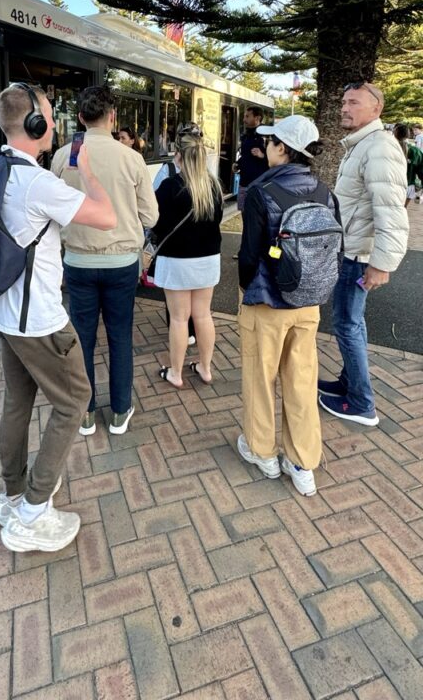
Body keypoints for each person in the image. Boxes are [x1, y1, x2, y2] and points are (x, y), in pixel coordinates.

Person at [0, 83, 116, 553]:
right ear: (34, 124)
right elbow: (105, 217)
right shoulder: (37, 182)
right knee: (75, 399)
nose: (56, 123)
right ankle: (33, 511)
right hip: (38, 317)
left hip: (2, 310)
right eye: (50, 116)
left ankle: (13, 494)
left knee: (18, 401)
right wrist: (89, 174)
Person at [236, 115, 338, 497]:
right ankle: (302, 462)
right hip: (308, 303)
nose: (265, 148)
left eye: (271, 142)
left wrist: (246, 288)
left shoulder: (263, 192)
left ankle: (262, 452)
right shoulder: (325, 192)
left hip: (267, 302)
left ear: (283, 148)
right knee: (300, 379)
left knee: (260, 380)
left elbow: (249, 254)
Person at [51, 86, 158, 435]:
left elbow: (51, 212)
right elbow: (151, 216)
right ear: (112, 116)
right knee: (120, 335)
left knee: (82, 338)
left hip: (78, 262)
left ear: (80, 117)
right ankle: (119, 412)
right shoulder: (131, 158)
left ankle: (84, 413)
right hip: (122, 263)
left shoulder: (63, 156)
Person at [318, 82, 408, 426]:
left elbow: (391, 211)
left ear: (376, 109)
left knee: (346, 324)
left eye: (353, 102)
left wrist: (381, 264)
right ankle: (348, 383)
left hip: (357, 256)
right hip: (352, 250)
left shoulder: (379, 147)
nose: (344, 107)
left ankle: (361, 403)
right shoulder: (363, 144)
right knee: (352, 323)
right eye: (343, 101)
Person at [154, 125, 223, 388]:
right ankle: (205, 368)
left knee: (180, 318)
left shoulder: (170, 186)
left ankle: (176, 372)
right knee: (203, 315)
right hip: (207, 258)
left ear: (179, 156)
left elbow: (156, 223)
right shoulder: (214, 187)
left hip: (176, 261)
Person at [233, 107, 269, 212]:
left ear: (257, 118)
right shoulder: (246, 135)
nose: (244, 120)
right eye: (244, 116)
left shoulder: (267, 135)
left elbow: (276, 160)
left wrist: (262, 155)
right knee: (244, 213)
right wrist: (237, 164)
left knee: (255, 216)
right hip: (244, 182)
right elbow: (245, 156)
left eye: (247, 116)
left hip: (258, 184)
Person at [393, 123, 423, 206]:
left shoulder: (387, 148)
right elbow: (421, 170)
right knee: (402, 209)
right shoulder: (415, 151)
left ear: (394, 133)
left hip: (390, 186)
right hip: (408, 186)